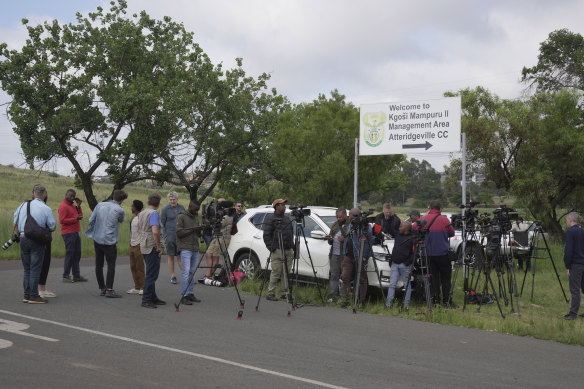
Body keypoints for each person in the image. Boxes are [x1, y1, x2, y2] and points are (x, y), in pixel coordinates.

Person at [13, 184, 56, 304]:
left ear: (33, 194)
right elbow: (53, 227)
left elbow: (15, 224)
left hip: (23, 238)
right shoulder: (46, 208)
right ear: (45, 195)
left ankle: (26, 295)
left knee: (27, 269)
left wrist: (21, 234)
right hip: (37, 241)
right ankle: (33, 296)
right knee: (35, 268)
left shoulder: (22, 205)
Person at [85, 189, 127, 298]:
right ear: (121, 200)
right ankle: (109, 288)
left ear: (113, 196)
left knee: (99, 264)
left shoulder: (100, 205)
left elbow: (91, 220)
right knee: (111, 264)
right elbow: (121, 220)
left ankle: (102, 288)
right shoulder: (120, 210)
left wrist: (94, 229)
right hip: (109, 239)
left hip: (97, 237)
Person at [416, 200, 455, 308]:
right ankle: (447, 301)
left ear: (430, 208)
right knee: (446, 279)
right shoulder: (444, 219)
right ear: (440, 209)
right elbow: (451, 233)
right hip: (442, 254)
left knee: (434, 279)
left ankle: (435, 300)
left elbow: (414, 228)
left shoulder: (423, 219)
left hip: (427, 254)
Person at [341, 208, 375, 308]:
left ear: (354, 215)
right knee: (345, 277)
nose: (348, 216)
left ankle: (362, 301)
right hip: (348, 255)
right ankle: (347, 299)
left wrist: (365, 256)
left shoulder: (366, 226)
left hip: (361, 257)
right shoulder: (351, 225)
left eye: (350, 214)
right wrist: (345, 252)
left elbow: (369, 242)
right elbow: (347, 238)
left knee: (362, 278)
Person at [263, 199, 294, 301]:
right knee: (276, 271)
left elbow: (291, 233)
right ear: (276, 207)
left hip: (288, 249)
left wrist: (293, 247)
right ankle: (270, 293)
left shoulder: (287, 219)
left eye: (285, 205)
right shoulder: (272, 219)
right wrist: (272, 247)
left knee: (286, 272)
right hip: (277, 249)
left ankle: (284, 292)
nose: (284, 206)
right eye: (282, 205)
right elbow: (266, 235)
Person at [139, 193, 166, 309]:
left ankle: (153, 297)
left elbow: (140, 227)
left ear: (148, 202)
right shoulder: (154, 213)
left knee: (150, 270)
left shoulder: (142, 213)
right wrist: (159, 246)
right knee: (152, 273)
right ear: (158, 204)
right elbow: (155, 231)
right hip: (151, 245)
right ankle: (146, 299)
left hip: (144, 243)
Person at [176, 200, 203, 305]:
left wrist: (199, 230)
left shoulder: (195, 217)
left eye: (198, 210)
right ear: (190, 207)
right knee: (186, 272)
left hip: (195, 247)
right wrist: (193, 229)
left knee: (192, 271)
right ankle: (184, 295)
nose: (197, 211)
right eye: (195, 209)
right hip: (185, 248)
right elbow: (179, 232)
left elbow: (198, 235)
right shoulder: (181, 216)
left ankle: (190, 293)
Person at [200, 198, 233, 282]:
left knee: (214, 256)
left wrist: (213, 220)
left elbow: (218, 225)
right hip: (216, 236)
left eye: (220, 203)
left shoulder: (228, 215)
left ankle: (208, 276)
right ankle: (208, 275)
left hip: (223, 237)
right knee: (208, 254)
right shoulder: (220, 213)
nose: (218, 205)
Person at [58, 189, 87, 283]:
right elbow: (62, 220)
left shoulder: (72, 206)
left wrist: (78, 206)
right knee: (70, 254)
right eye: (71, 195)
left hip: (75, 232)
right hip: (68, 233)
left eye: (73, 196)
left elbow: (80, 216)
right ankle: (65, 276)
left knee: (77, 254)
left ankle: (76, 275)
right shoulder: (63, 206)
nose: (72, 198)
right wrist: (75, 218)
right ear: (66, 195)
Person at [386, 221, 415, 309]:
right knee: (392, 285)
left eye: (401, 226)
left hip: (405, 265)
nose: (399, 228)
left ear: (406, 228)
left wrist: (407, 263)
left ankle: (406, 305)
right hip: (395, 263)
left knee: (407, 285)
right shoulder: (398, 235)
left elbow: (414, 254)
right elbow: (390, 227)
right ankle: (388, 305)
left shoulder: (412, 239)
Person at [161, 191, 185, 284]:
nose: (172, 201)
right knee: (171, 256)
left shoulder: (182, 208)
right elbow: (162, 224)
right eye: (170, 199)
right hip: (170, 236)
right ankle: (173, 276)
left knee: (180, 256)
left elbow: (185, 220)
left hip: (180, 236)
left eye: (173, 199)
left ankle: (186, 275)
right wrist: (165, 236)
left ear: (177, 199)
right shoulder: (165, 209)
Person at [563, 212, 584, 320]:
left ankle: (573, 314)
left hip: (576, 264)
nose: (566, 222)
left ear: (571, 220)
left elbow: (569, 250)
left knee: (575, 289)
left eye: (567, 220)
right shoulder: (582, 231)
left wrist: (567, 266)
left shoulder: (570, 232)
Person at [326, 207, 349, 303]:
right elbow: (330, 237)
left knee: (344, 277)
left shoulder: (350, 225)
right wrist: (330, 239)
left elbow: (352, 240)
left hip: (344, 255)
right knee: (334, 275)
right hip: (334, 254)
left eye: (340, 217)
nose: (338, 219)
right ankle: (333, 295)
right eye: (337, 217)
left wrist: (344, 240)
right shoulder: (335, 225)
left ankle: (343, 296)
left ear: (344, 215)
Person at [39, 195, 56, 299]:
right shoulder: (45, 208)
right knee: (44, 263)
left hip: (29, 237)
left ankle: (31, 291)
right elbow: (52, 226)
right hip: (44, 238)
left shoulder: (27, 206)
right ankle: (41, 290)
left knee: (32, 266)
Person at [127, 200, 145, 295]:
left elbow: (144, 231)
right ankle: (137, 286)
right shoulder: (133, 218)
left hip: (139, 245)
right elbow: (133, 231)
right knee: (133, 266)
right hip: (132, 244)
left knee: (140, 267)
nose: (131, 207)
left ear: (136, 207)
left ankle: (143, 287)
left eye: (132, 206)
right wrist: (131, 239)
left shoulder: (141, 217)